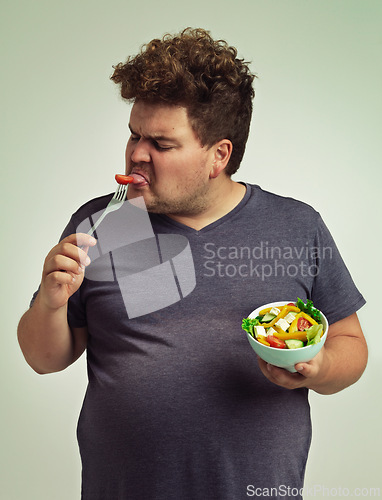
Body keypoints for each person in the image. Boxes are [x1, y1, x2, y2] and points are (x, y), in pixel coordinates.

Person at [18, 28, 367, 500]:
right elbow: (44, 358)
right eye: (134, 135)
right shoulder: (105, 222)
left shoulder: (295, 226)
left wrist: (320, 365)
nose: (137, 154)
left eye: (160, 143)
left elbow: (351, 344)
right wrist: (50, 303)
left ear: (218, 155)